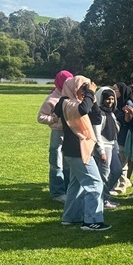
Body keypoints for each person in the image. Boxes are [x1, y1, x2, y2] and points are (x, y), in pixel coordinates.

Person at [54, 76, 111, 231]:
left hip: (76, 150)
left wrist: (91, 98)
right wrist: (90, 94)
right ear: (73, 88)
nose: (85, 92)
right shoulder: (66, 103)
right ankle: (92, 221)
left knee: (76, 184)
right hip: (79, 151)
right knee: (95, 184)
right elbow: (82, 110)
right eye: (82, 88)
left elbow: (96, 118)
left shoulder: (75, 103)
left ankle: (71, 218)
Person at [37, 69, 73, 202]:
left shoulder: (73, 95)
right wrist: (54, 120)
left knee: (69, 162)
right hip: (58, 133)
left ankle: (70, 189)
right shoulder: (52, 98)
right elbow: (40, 117)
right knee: (56, 163)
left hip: (71, 133)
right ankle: (57, 192)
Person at [90, 87, 122, 209]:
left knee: (117, 170)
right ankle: (102, 199)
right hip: (103, 147)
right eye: (107, 99)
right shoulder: (99, 113)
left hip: (112, 145)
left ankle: (104, 194)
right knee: (104, 173)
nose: (110, 101)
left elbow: (115, 130)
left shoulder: (111, 112)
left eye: (112, 99)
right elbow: (97, 133)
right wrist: (101, 151)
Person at [111, 82, 133, 195]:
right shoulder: (118, 103)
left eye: (116, 90)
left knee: (122, 162)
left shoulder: (128, 104)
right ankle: (124, 182)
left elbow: (126, 122)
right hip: (118, 137)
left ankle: (121, 186)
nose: (114, 92)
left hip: (124, 137)